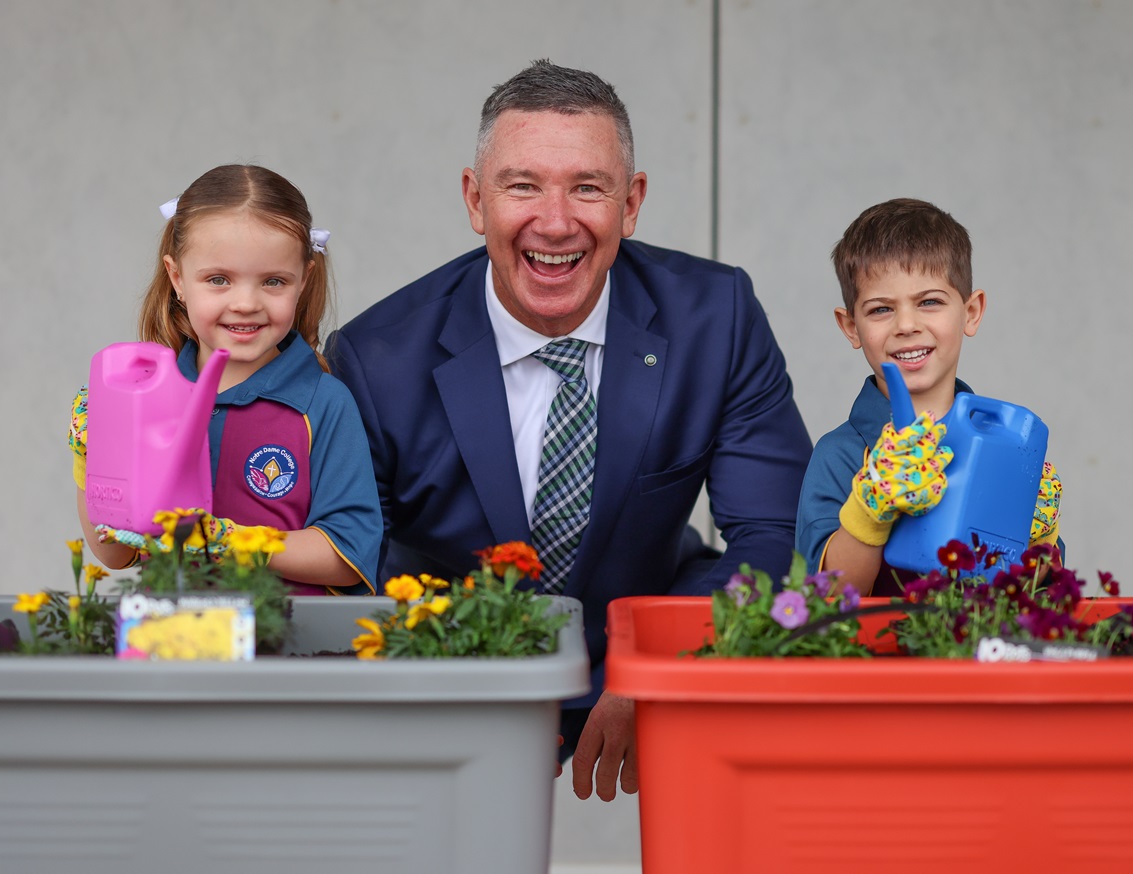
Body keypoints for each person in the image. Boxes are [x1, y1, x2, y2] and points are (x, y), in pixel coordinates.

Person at [324, 60, 813, 800]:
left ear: (632, 202)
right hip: (456, 660)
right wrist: (467, 682)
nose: (555, 222)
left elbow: (776, 532)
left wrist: (660, 667)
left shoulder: (718, 317)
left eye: (587, 187)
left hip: (651, 634)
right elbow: (358, 564)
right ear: (475, 199)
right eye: (522, 186)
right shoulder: (376, 356)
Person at [70, 164, 382, 595]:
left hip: (288, 635)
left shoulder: (323, 403)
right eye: (218, 280)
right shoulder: (148, 402)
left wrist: (230, 542)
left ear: (303, 281)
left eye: (273, 281)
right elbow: (116, 554)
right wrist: (91, 455)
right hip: (170, 632)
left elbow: (347, 554)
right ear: (177, 278)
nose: (246, 303)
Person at [796, 197, 1062, 596]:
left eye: (929, 302)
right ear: (851, 327)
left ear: (971, 312)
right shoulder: (840, 455)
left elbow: (1037, 596)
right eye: (881, 309)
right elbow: (825, 596)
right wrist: (870, 510)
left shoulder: (1006, 449)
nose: (906, 325)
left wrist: (1039, 541)